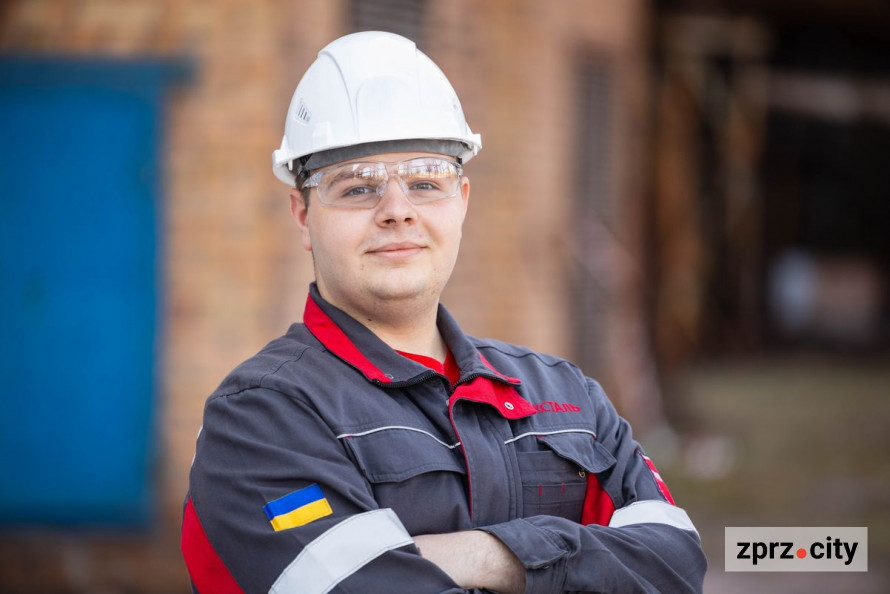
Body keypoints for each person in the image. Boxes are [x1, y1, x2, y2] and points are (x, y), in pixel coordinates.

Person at [180, 31, 707, 593]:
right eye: (356, 188)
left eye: (425, 182)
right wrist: (577, 561)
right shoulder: (262, 419)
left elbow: (674, 566)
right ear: (303, 215)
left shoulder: (567, 399)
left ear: (462, 203)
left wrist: (490, 555)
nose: (397, 211)